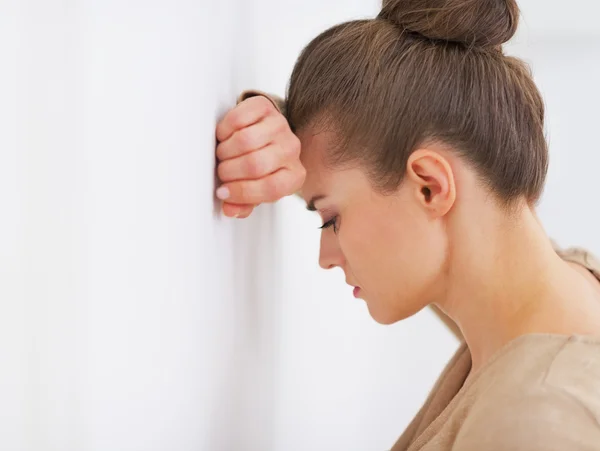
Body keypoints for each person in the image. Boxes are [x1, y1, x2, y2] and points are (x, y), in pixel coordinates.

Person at [214, 0, 600, 449]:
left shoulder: (537, 426)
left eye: (331, 219)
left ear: (430, 188)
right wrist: (275, 133)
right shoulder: (568, 289)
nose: (326, 258)